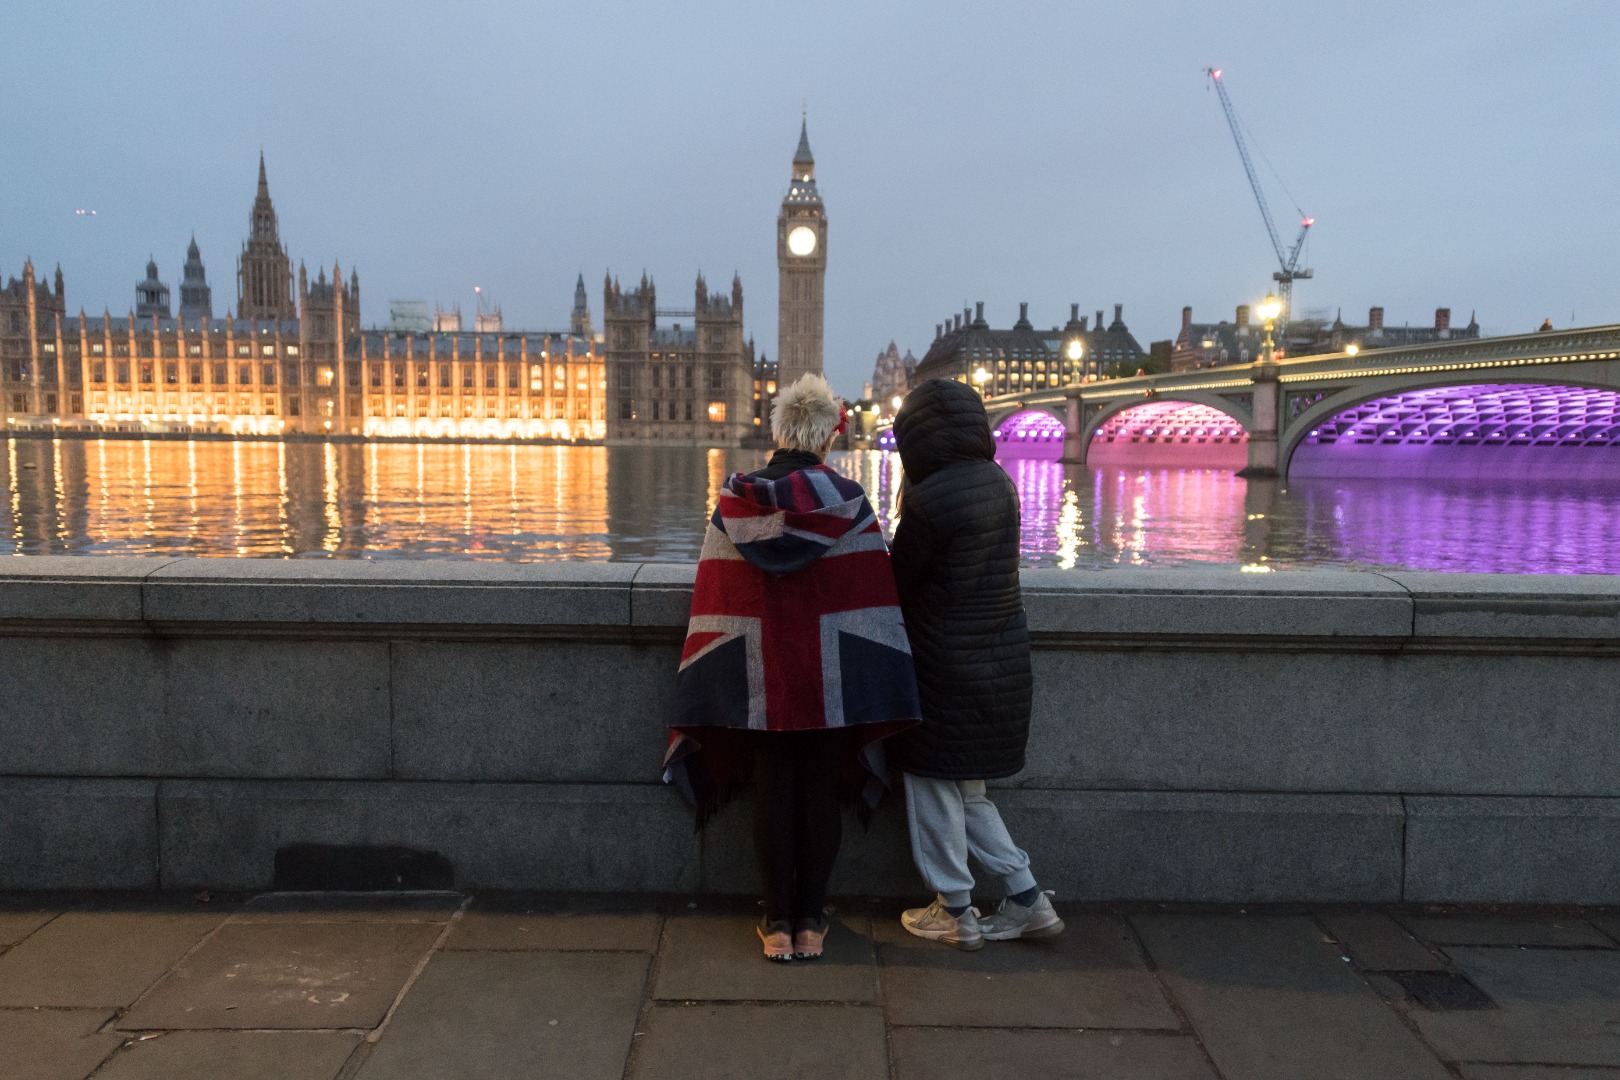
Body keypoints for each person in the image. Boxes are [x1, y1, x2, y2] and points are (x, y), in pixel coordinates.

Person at [664, 373, 920, 962]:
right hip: (829, 677)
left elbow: (716, 596)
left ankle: (776, 922)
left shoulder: (733, 502)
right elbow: (871, 592)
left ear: (776, 431)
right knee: (819, 793)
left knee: (772, 789)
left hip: (759, 673)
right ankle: (811, 921)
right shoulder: (851, 503)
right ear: (829, 436)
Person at [887, 378, 1064, 950]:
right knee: (970, 792)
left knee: (929, 783)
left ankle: (955, 910)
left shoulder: (930, 497)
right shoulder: (1000, 482)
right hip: (1000, 661)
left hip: (942, 666)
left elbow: (898, 581)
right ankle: (1027, 899)